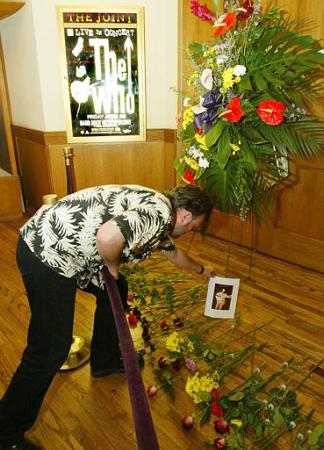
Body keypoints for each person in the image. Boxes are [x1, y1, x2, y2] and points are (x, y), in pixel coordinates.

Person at [0, 184, 215, 450]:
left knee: (116, 288)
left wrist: (202, 269)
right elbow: (107, 238)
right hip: (48, 253)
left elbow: (174, 253)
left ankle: (105, 359)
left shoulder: (160, 209)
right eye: (193, 226)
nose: (190, 231)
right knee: (50, 348)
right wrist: (112, 266)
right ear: (184, 216)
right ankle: (6, 434)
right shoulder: (159, 213)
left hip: (63, 247)